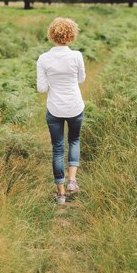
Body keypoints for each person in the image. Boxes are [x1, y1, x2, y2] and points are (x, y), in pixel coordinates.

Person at [37, 16, 86, 205]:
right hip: (75, 106)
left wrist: (52, 78)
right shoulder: (77, 56)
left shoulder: (43, 59)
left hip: (55, 108)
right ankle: (72, 180)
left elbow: (42, 88)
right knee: (74, 140)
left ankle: (61, 195)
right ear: (72, 35)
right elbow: (81, 79)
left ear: (51, 35)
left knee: (58, 149)